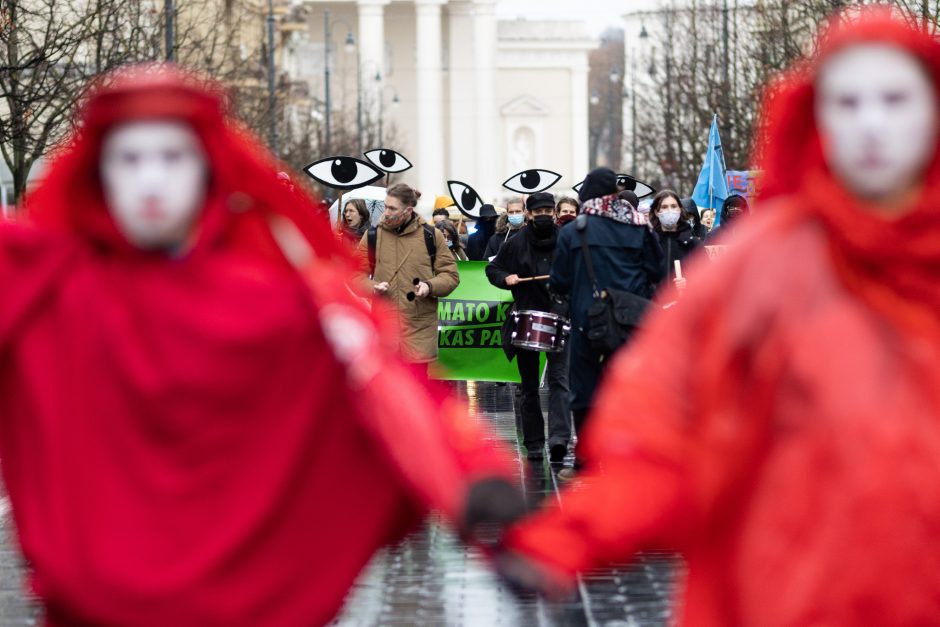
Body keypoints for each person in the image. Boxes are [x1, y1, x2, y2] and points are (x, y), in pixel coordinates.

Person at [0, 64, 522, 626]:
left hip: (239, 591)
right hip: (95, 590)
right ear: (99, 171)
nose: (150, 181)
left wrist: (470, 474)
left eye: (172, 158)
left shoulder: (278, 300)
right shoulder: (45, 286)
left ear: (206, 169)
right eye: (129, 160)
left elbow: (382, 383)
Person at [502, 9, 940, 625]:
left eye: (896, 98)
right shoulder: (759, 265)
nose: (872, 123)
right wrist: (572, 534)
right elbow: (657, 421)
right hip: (779, 593)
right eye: (847, 102)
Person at [547, 168, 663, 478]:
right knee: (631, 389)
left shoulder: (575, 231)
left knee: (584, 391)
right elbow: (657, 271)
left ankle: (585, 462)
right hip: (632, 323)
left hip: (589, 322)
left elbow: (559, 281)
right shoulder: (639, 227)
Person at [486, 192, 571, 464]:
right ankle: (534, 442)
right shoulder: (516, 243)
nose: (544, 215)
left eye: (549, 210)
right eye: (539, 211)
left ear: (554, 213)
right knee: (529, 385)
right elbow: (493, 269)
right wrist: (505, 278)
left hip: (560, 316)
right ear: (529, 214)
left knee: (560, 381)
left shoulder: (566, 240)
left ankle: (559, 439)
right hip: (527, 316)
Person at [359, 183, 460, 370]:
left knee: (418, 394)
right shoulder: (373, 235)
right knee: (386, 396)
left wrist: (430, 286)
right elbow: (354, 274)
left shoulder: (431, 235)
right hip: (384, 329)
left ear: (408, 210)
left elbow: (451, 275)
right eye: (386, 206)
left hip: (418, 331)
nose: (386, 212)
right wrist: (371, 286)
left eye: (392, 208)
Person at [649, 190, 701, 293]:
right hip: (654, 306)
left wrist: (689, 283)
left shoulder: (693, 244)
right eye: (664, 207)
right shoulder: (649, 244)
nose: (669, 211)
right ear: (656, 212)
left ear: (680, 210)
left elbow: (707, 278)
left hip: (684, 305)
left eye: (673, 206)